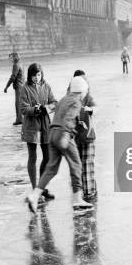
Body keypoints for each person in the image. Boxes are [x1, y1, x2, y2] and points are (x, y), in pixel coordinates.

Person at [26, 76, 94, 213]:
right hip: (64, 134)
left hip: (52, 133)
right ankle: (77, 198)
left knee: (51, 168)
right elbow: (68, 117)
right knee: (76, 164)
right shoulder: (76, 102)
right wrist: (66, 133)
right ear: (81, 91)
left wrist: (77, 123)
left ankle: (34, 196)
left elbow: (60, 114)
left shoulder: (64, 99)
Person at [20, 63, 57, 199]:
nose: (37, 77)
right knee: (33, 157)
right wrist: (34, 110)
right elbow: (23, 108)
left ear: (42, 74)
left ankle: (42, 187)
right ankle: (35, 188)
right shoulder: (25, 89)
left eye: (39, 74)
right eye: (34, 75)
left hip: (45, 125)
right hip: (31, 126)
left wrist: (46, 108)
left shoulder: (46, 86)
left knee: (47, 158)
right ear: (30, 76)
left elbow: (55, 103)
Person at [70, 70, 97, 202]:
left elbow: (96, 107)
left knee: (87, 164)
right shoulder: (71, 97)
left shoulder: (88, 96)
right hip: (76, 136)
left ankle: (90, 192)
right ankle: (82, 192)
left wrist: (90, 110)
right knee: (78, 165)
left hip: (88, 135)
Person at [4, 52, 24, 125]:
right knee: (20, 103)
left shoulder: (16, 65)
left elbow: (13, 77)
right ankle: (21, 118)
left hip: (18, 86)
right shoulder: (21, 64)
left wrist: (7, 86)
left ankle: (19, 120)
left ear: (14, 58)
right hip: (22, 85)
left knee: (18, 103)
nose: (10, 59)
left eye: (11, 58)